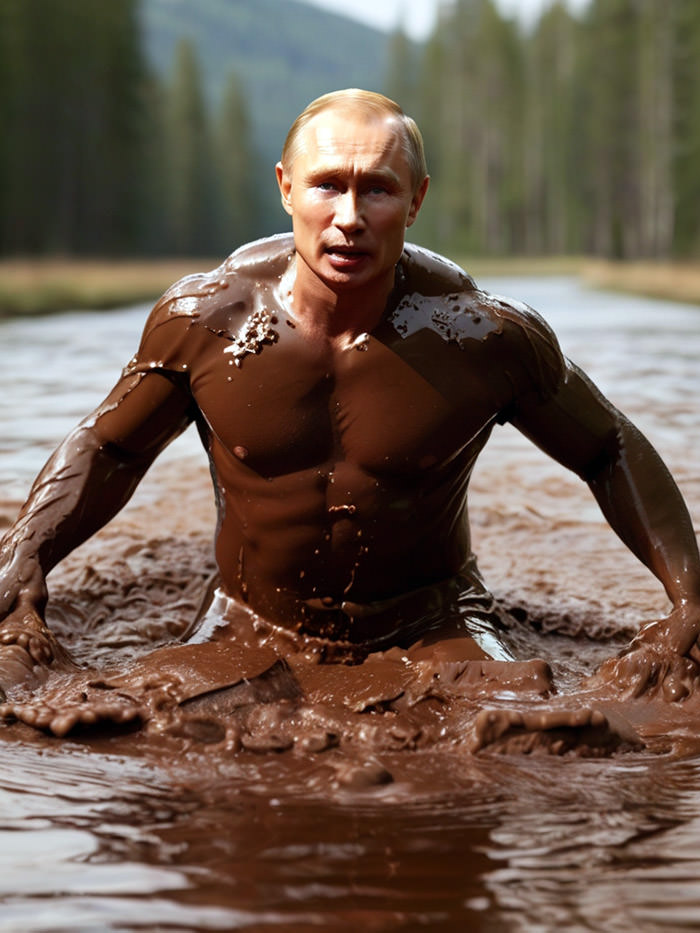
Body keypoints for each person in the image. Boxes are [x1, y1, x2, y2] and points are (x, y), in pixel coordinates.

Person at [1, 89, 699, 711]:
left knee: (524, 722)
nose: (349, 217)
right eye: (327, 186)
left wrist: (688, 595)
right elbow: (110, 445)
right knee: (160, 719)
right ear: (285, 188)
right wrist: (24, 558)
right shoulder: (207, 320)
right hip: (248, 617)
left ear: (417, 198)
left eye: (377, 190)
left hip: (434, 620)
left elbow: (607, 446)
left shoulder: (484, 337)